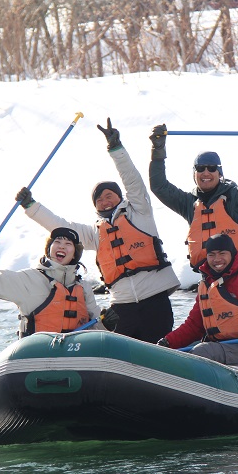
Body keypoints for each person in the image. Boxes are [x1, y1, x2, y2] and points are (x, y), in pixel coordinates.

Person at [15, 118, 180, 344]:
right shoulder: (95, 233)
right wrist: (31, 206)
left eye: (108, 195)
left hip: (155, 300)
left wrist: (116, 149)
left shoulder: (140, 212)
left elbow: (132, 180)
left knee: (159, 347)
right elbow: (60, 226)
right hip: (122, 306)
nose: (104, 201)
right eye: (99, 199)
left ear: (119, 197)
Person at [0, 227, 108, 337]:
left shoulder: (83, 288)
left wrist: (106, 324)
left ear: (75, 253)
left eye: (68, 243)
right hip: (37, 359)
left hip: (77, 359)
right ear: (49, 249)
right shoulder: (30, 280)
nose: (61, 246)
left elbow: (96, 329)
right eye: (57, 242)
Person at [148, 123, 238, 270]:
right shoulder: (188, 203)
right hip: (208, 276)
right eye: (200, 168)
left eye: (212, 168)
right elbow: (159, 186)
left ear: (219, 173)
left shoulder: (237, 197)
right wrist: (157, 151)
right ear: (194, 174)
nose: (206, 173)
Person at [156, 233, 238, 368]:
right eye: (212, 255)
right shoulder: (207, 285)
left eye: (222, 253)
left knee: (203, 351)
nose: (217, 259)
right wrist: (167, 343)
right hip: (223, 347)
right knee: (197, 349)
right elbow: (194, 326)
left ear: (232, 254)